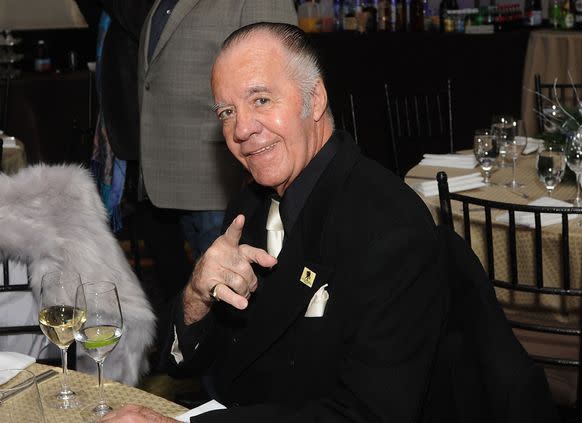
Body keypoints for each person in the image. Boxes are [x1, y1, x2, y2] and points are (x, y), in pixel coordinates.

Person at [102, 22, 449, 422]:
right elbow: (187, 363)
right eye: (227, 112)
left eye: (262, 100)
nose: (242, 129)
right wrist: (197, 295)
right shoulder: (248, 204)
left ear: (314, 99)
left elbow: (368, 414)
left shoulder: (388, 226)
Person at [138, 0, 297, 261]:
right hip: (167, 170)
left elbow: (280, 84)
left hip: (225, 177)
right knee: (191, 292)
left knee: (233, 288)